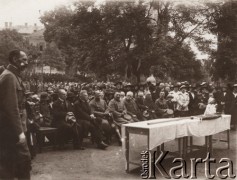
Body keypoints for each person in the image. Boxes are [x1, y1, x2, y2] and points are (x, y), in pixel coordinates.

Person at [0, 49, 31, 179]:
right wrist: (20, 132)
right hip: (11, 129)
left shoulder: (14, 75)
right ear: (14, 59)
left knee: (15, 164)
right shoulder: (9, 76)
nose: (26, 62)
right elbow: (11, 108)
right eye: (23, 59)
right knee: (21, 162)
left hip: (13, 127)